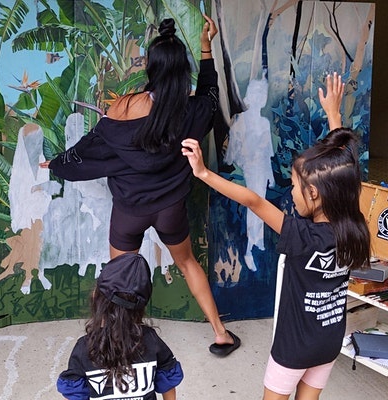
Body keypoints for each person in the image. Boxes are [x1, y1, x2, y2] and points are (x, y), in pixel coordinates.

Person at [42, 14, 240, 356]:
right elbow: (210, 91)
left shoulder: (125, 106)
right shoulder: (191, 111)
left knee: (117, 279)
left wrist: (59, 163)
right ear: (182, 70)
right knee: (188, 263)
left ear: (149, 66)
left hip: (129, 211)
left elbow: (90, 148)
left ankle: (111, 342)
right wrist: (206, 46)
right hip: (170, 209)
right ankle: (220, 333)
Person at [181, 72, 371, 400]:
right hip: (328, 343)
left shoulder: (302, 235)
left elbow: (253, 200)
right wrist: (333, 115)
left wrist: (203, 172)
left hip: (292, 349)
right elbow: (344, 171)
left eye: (296, 187)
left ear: (314, 193)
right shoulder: (353, 228)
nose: (292, 193)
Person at [57, 253, 184, 400]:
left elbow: (74, 394)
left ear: (96, 298)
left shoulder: (84, 347)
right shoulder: (151, 339)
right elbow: (168, 382)